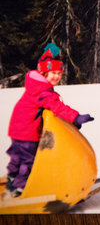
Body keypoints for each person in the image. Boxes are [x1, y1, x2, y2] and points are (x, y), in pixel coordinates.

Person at [5, 43, 94, 198]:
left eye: (59, 73)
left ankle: (12, 178)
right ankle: (21, 189)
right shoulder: (43, 91)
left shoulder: (36, 83)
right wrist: (75, 116)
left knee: (18, 155)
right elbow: (56, 106)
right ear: (44, 73)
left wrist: (48, 54)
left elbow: (50, 105)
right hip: (27, 131)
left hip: (18, 128)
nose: (56, 77)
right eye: (53, 72)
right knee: (29, 160)